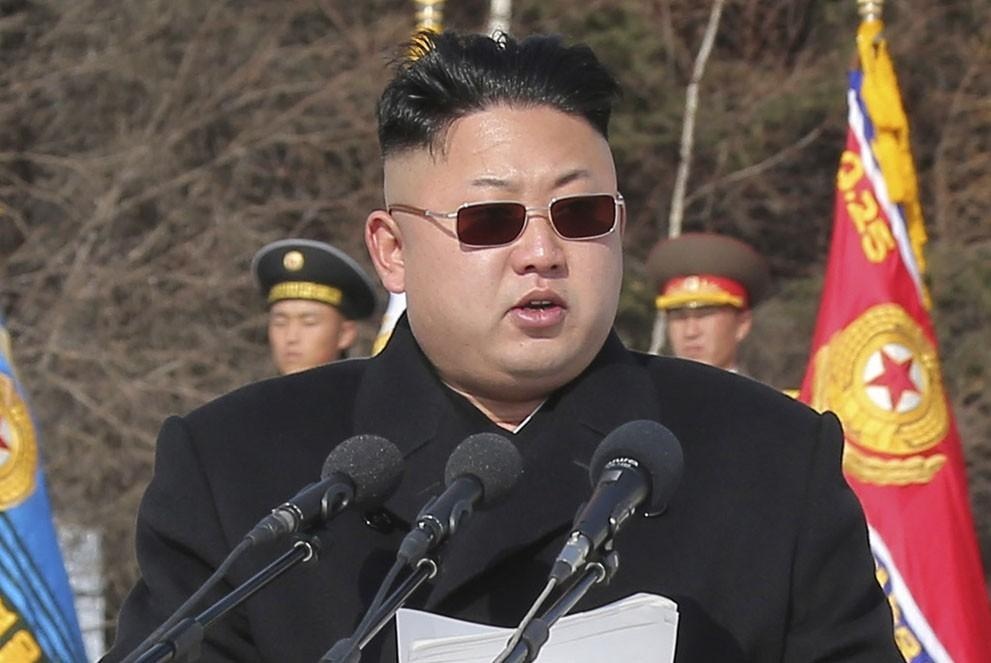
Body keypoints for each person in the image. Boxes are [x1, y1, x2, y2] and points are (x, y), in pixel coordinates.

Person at [104, 31, 900, 662]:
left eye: (580, 214)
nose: (542, 253)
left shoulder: (768, 457)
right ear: (391, 250)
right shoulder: (238, 466)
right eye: (491, 221)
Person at [251, 239, 378, 374]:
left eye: (309, 322)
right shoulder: (247, 388)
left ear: (345, 334)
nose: (291, 337)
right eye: (280, 323)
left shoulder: (371, 387)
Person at [647, 232, 770, 372]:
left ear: (742, 324)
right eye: (679, 317)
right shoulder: (643, 385)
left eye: (704, 315)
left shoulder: (767, 386)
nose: (690, 332)